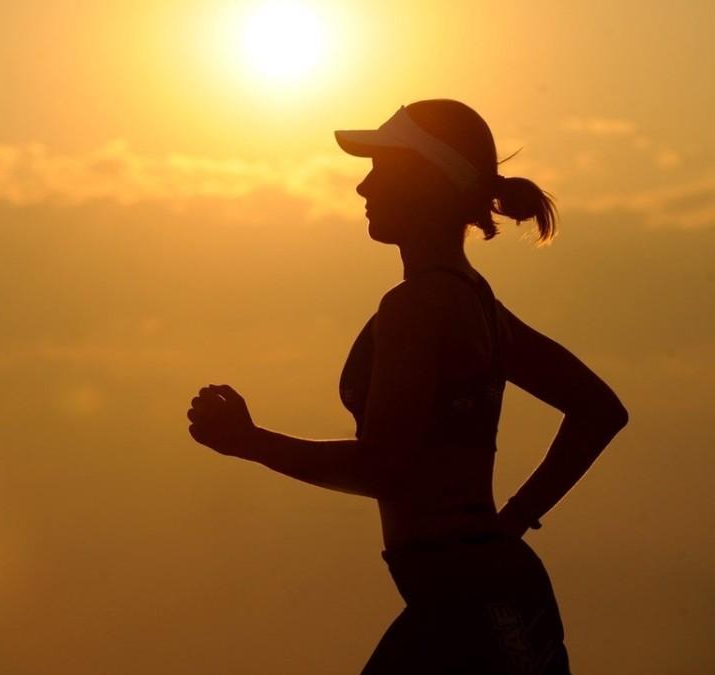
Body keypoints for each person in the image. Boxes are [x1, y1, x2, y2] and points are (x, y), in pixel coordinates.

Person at [185, 99, 629, 674]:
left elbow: (384, 469)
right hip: (482, 596)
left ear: (428, 182)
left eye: (381, 169)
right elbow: (599, 410)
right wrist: (513, 520)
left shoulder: (417, 306)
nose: (362, 188)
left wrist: (250, 443)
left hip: (468, 608)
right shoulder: (475, 302)